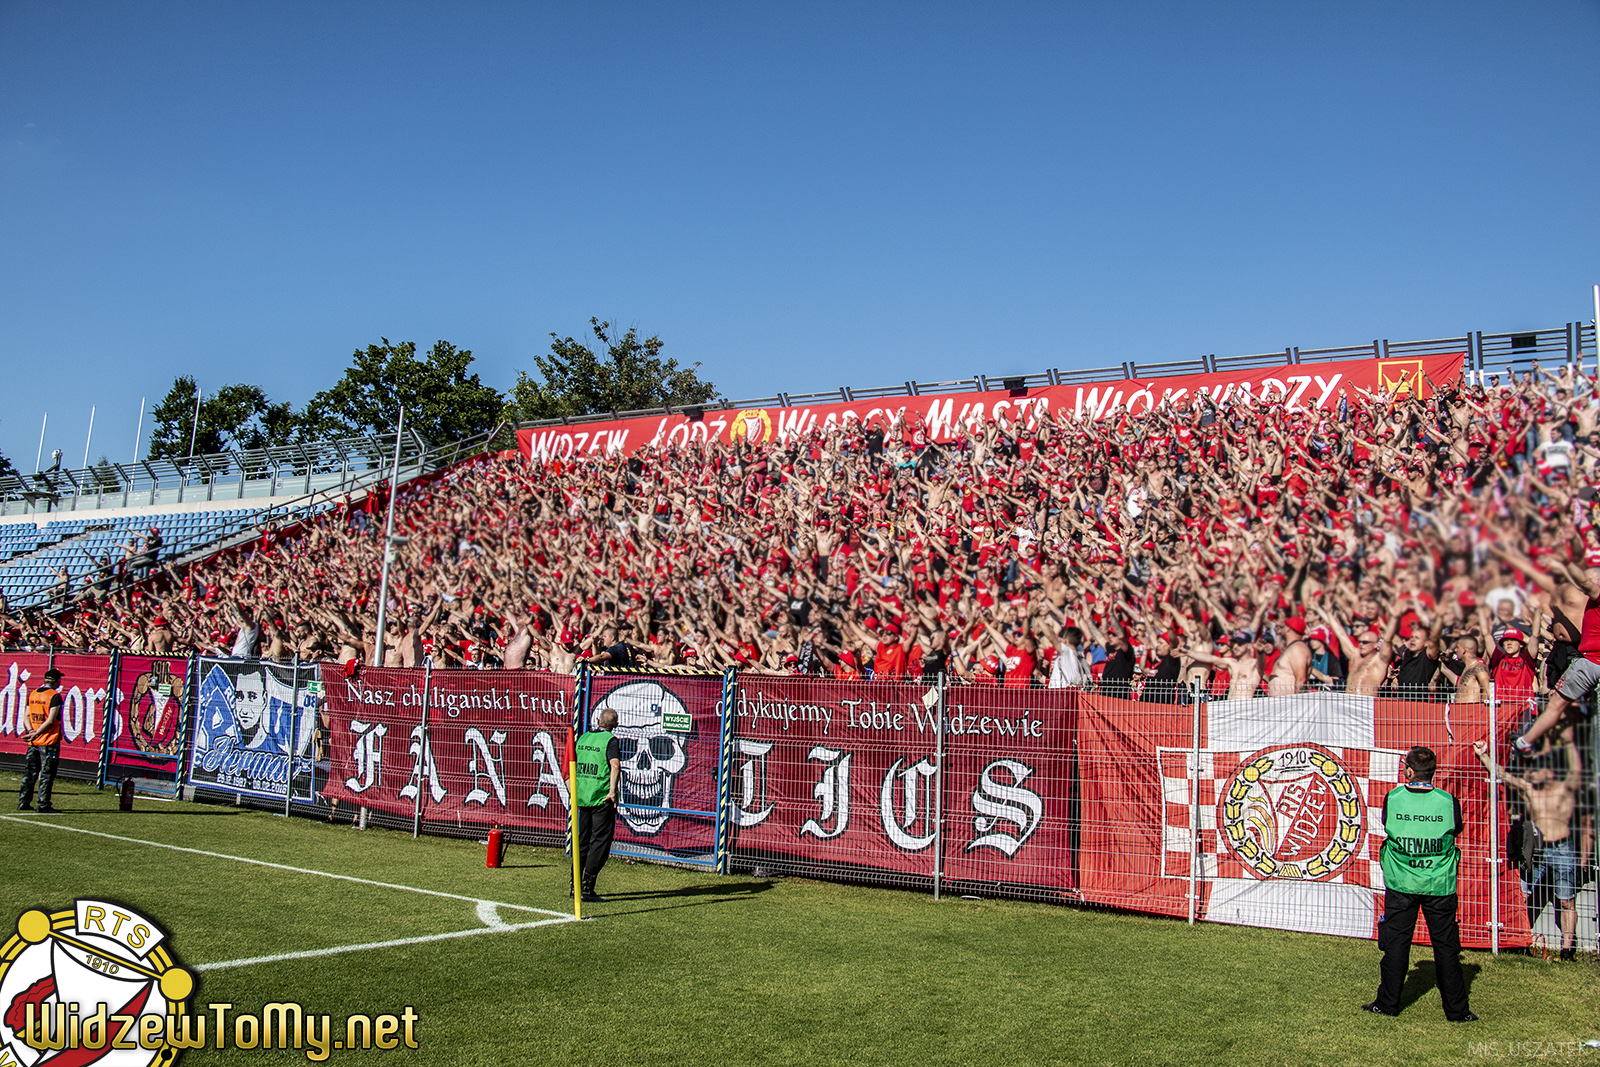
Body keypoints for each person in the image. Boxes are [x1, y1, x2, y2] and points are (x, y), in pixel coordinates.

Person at [1363, 745, 1477, 1022]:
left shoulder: (1394, 798)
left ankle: (1387, 1003)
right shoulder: (1448, 801)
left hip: (1402, 881)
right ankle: (1457, 1011)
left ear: (1409, 771)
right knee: (1446, 948)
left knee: (1396, 945)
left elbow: (1387, 825)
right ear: (1432, 772)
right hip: (1439, 883)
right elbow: (1456, 829)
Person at [1474, 739, 1582, 960]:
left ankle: (1567, 950)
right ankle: (1516, 941)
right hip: (1536, 848)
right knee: (1521, 895)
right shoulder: (1531, 787)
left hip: (1563, 847)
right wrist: (1483, 755)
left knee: (1566, 900)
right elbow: (1502, 775)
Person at [573, 707, 621, 903]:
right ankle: (587, 886)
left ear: (599, 721)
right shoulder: (610, 740)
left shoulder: (583, 738)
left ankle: (574, 884)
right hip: (601, 797)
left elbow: (571, 764)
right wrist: (612, 792)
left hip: (583, 795)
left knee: (582, 840)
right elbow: (615, 765)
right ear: (616, 725)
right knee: (600, 842)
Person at [17, 667, 64, 814]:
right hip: (48, 740)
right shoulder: (54, 696)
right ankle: (43, 804)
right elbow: (51, 720)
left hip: (34, 742)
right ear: (57, 681)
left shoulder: (34, 694)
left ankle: (23, 801)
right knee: (46, 773)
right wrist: (36, 733)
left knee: (29, 772)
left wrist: (31, 731)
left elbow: (26, 716)